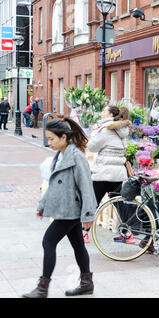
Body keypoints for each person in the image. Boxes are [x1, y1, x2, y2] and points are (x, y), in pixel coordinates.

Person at [22, 118, 97, 298]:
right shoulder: (60, 155)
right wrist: (42, 206)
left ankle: (42, 288)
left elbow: (86, 186)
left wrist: (88, 214)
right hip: (66, 209)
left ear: (63, 137)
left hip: (70, 210)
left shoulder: (76, 156)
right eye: (48, 139)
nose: (50, 143)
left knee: (48, 241)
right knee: (78, 245)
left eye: (52, 139)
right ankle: (87, 283)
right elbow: (53, 184)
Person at [85, 105, 131, 243]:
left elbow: (91, 146)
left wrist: (94, 133)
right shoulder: (121, 130)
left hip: (103, 173)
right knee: (119, 203)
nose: (102, 113)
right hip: (118, 173)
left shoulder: (105, 130)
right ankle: (128, 233)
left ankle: (84, 233)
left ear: (111, 115)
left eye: (104, 111)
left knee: (92, 203)